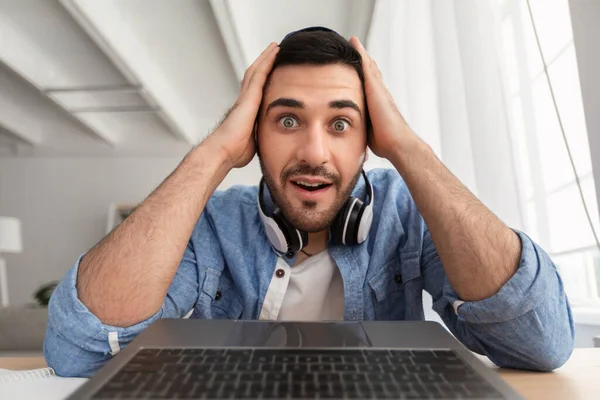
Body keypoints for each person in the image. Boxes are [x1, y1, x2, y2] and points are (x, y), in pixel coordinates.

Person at [44, 27, 574, 377]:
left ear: (370, 137)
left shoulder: (406, 214)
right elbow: (78, 350)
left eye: (341, 123)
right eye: (288, 120)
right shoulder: (211, 225)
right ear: (255, 133)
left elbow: (540, 343)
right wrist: (215, 152)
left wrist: (408, 146)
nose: (314, 152)